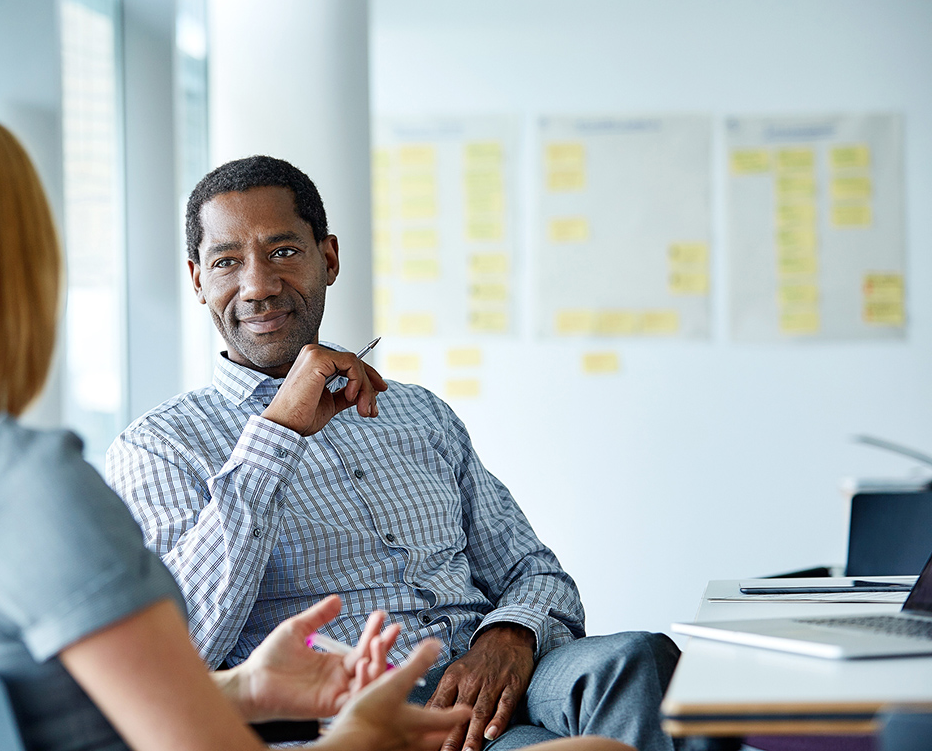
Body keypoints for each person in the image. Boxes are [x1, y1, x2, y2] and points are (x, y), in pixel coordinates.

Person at [0, 100, 485, 751]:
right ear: (5, 266)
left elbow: (52, 716)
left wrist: (242, 689)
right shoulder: (23, 484)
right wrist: (363, 736)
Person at [106, 155, 681, 751]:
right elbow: (182, 646)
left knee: (635, 659)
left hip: (504, 678)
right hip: (369, 722)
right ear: (199, 280)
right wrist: (275, 434)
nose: (257, 285)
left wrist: (510, 634)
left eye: (283, 253)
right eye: (228, 262)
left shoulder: (418, 412)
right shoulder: (160, 446)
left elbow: (534, 572)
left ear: (328, 258)